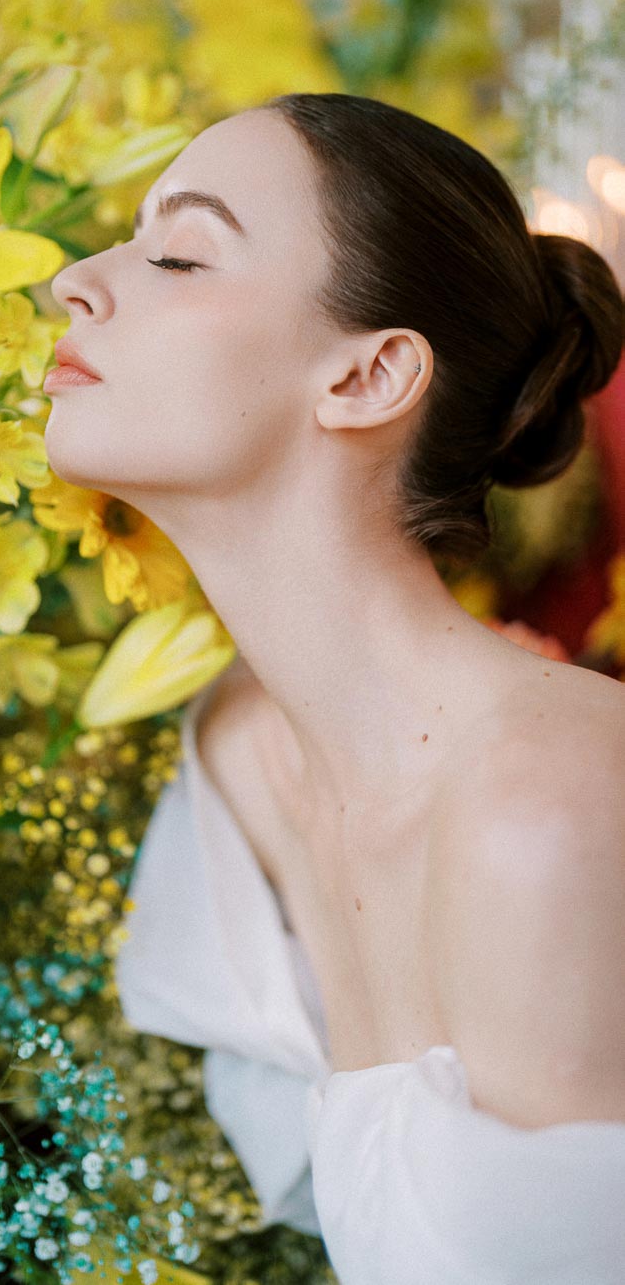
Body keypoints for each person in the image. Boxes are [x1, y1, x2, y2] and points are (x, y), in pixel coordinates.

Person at [46, 94, 625, 1284]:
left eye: (178, 253)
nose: (73, 280)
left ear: (366, 377)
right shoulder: (248, 764)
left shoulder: (550, 811)